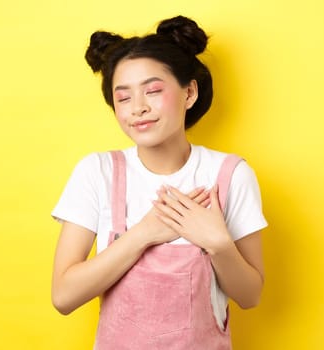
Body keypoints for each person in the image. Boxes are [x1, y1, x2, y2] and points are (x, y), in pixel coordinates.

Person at [50, 15, 267, 349]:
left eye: (152, 91)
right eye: (123, 98)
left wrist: (218, 243)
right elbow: (64, 296)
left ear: (189, 92)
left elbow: (250, 296)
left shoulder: (230, 174)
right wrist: (145, 233)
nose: (138, 108)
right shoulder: (97, 172)